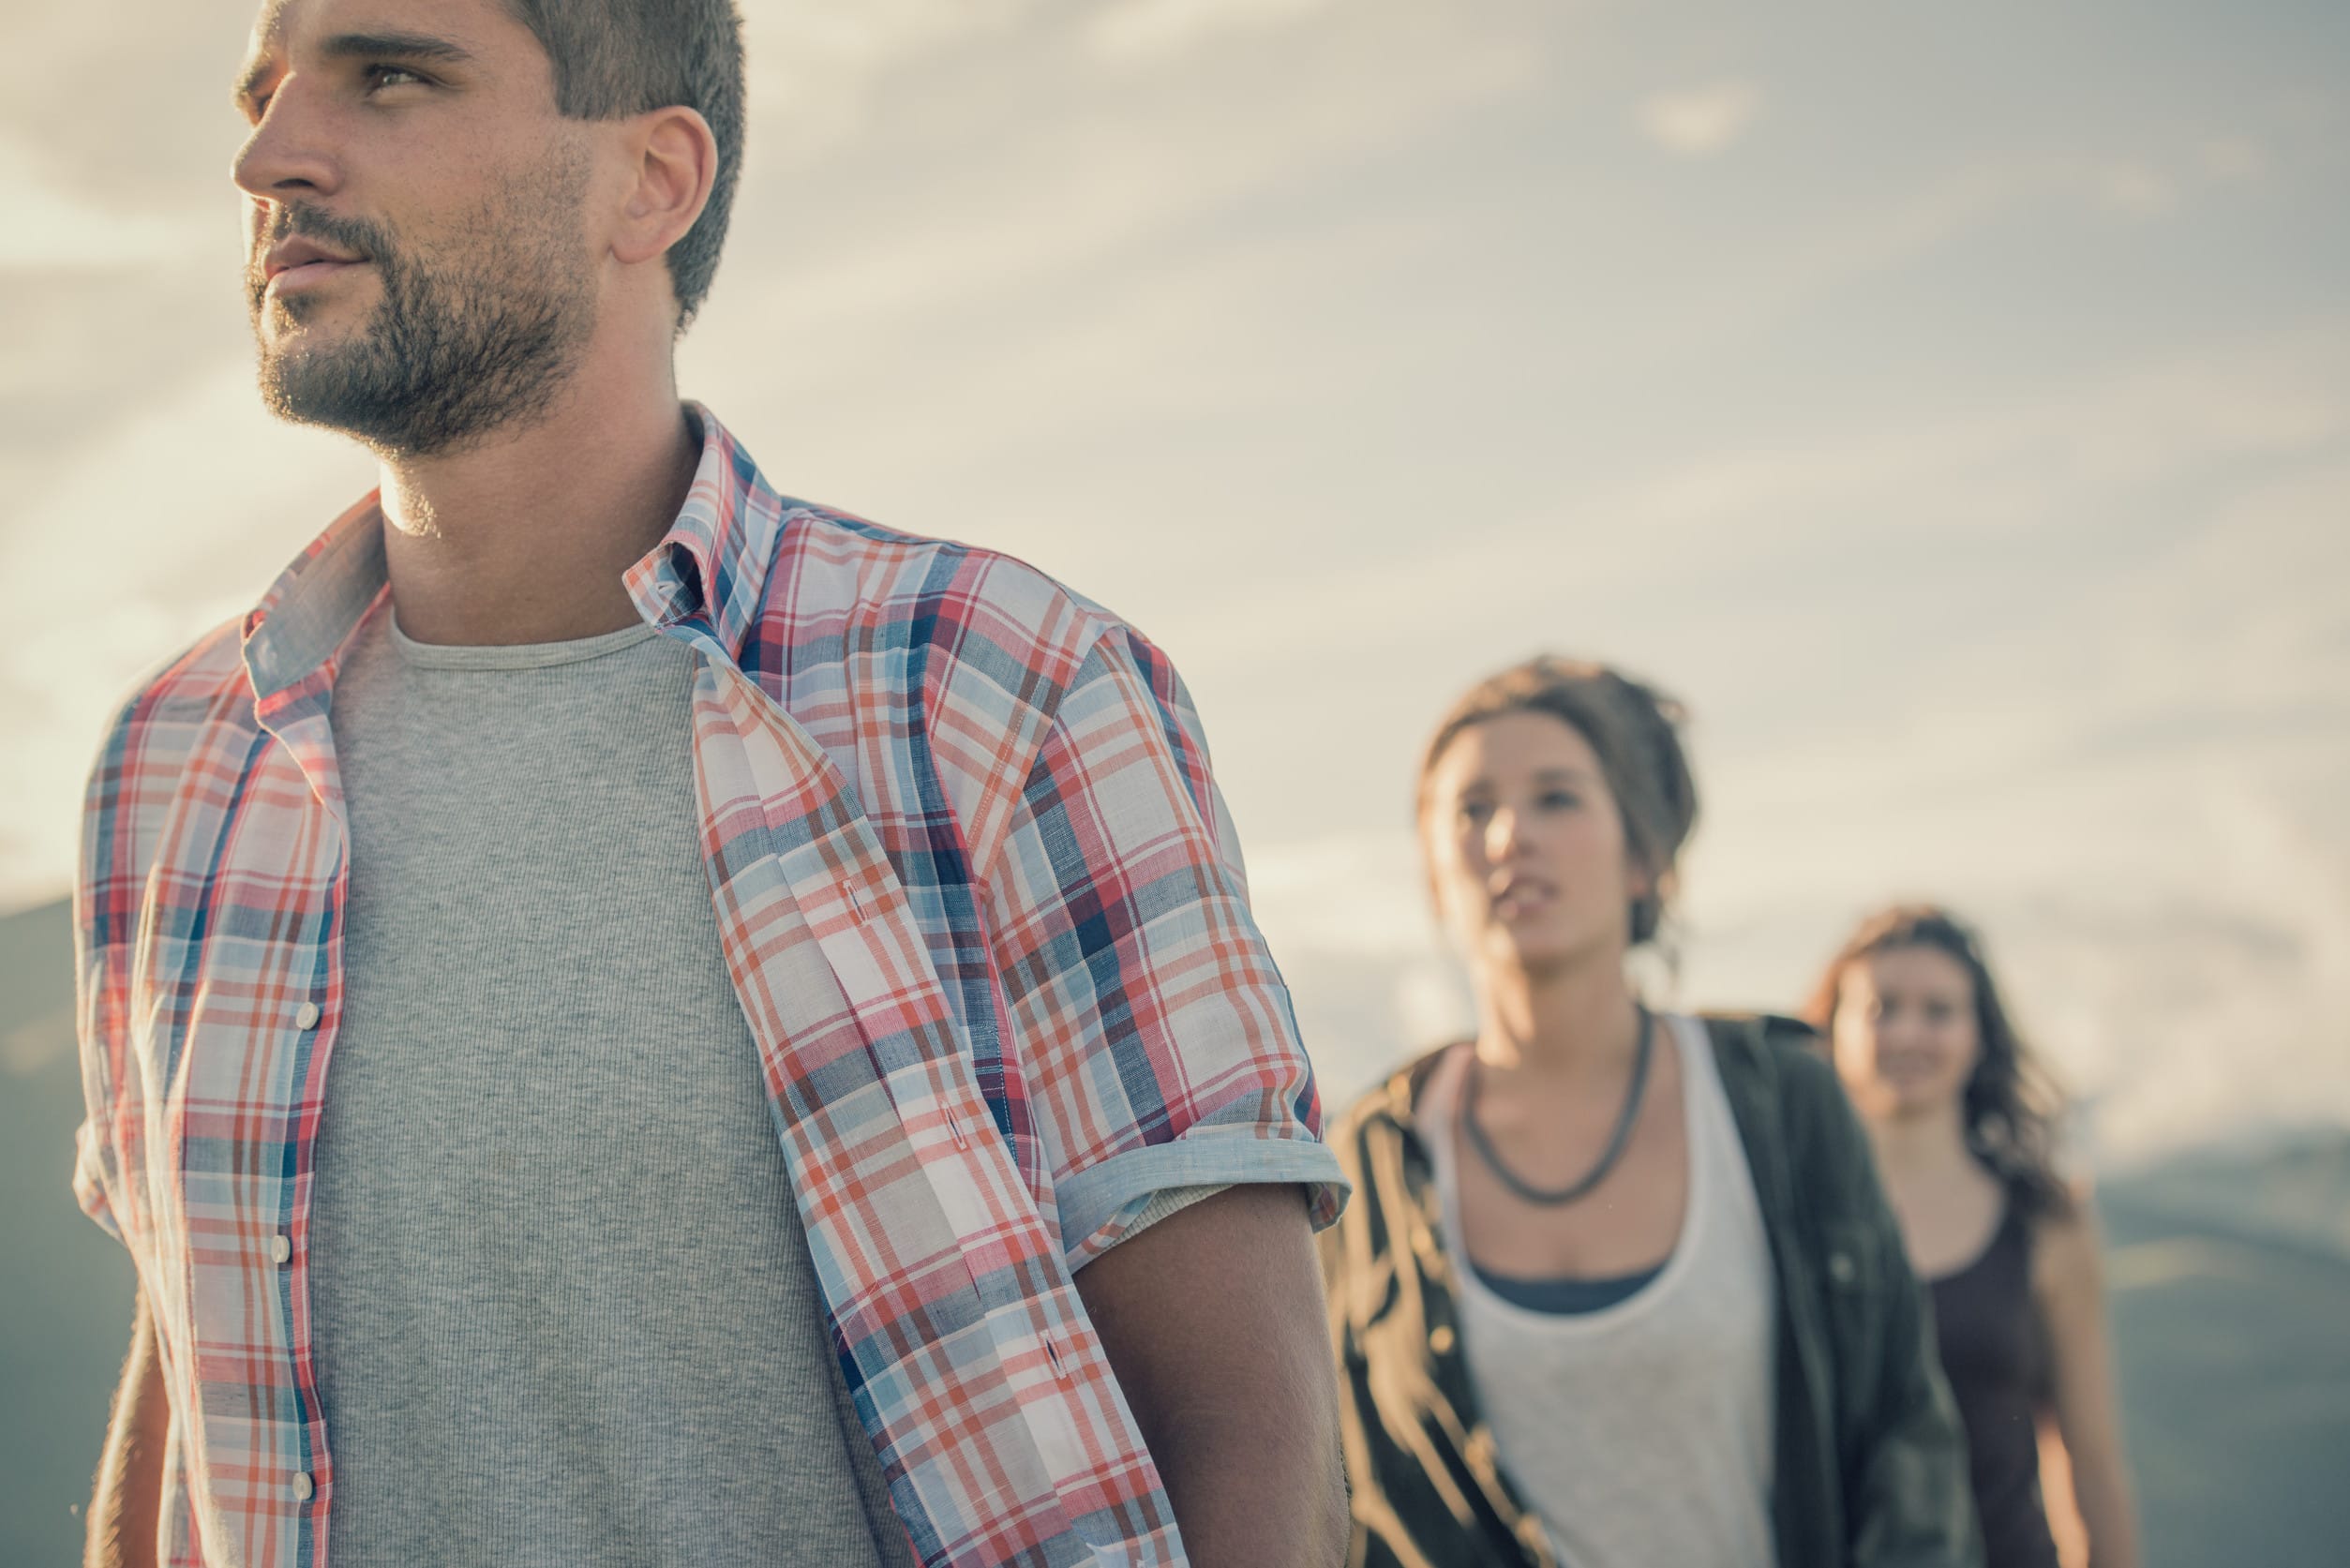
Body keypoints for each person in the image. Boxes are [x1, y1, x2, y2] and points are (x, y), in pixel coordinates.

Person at [68, 2, 1349, 1565]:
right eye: (265, 95)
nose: (267, 156)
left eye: (389, 75)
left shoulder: (995, 687)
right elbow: (183, 1406)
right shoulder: (176, 763)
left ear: (652, 183)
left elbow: (1251, 1443)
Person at [1320, 655, 1982, 1568]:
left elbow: (1905, 1437)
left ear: (1643, 855)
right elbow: (1343, 1502)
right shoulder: (1370, 1160)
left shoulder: (1781, 1098)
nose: (1510, 833)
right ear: (1433, 870)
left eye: (1555, 797)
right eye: (1471, 808)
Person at [1806, 905, 2140, 1568]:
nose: (1907, 1032)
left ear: (1978, 1034)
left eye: (1938, 1010)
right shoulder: (1788, 1214)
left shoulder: (2045, 1222)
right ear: (1833, 1028)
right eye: (1880, 1008)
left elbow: (2090, 1459)